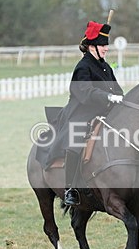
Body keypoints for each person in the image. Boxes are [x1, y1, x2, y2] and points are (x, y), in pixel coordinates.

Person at [45, 20, 125, 206]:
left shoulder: (105, 66)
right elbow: (85, 93)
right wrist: (108, 97)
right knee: (75, 144)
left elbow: (117, 89)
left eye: (106, 44)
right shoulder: (83, 67)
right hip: (81, 112)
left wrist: (120, 98)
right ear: (91, 47)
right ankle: (70, 189)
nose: (106, 48)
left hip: (105, 111)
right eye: (102, 45)